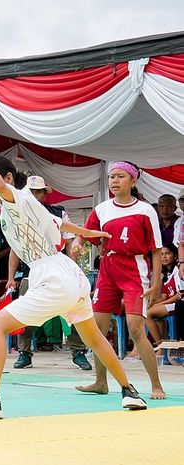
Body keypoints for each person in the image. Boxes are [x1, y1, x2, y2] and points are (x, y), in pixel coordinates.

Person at [0, 124, 147, 419]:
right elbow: (63, 225)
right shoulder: (27, 204)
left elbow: (3, 187)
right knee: (94, 338)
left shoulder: (16, 198)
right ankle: (129, 392)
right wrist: (94, 233)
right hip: (70, 275)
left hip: (52, 275)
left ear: (6, 178)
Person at [72, 160, 166, 400]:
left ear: (133, 181)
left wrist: (156, 283)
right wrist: (78, 242)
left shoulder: (145, 210)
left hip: (135, 270)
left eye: (121, 176)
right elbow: (86, 232)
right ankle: (100, 382)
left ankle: (156, 385)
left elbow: (156, 249)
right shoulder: (102, 209)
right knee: (97, 328)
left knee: (136, 329)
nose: (115, 181)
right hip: (108, 270)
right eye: (112, 176)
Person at [12, 175, 92, 371]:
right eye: (31, 191)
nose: (35, 195)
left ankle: (78, 352)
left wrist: (73, 268)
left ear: (44, 194)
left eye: (39, 191)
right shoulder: (18, 213)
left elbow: (69, 242)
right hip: (32, 270)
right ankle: (24, 353)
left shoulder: (58, 213)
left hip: (59, 267)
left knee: (74, 310)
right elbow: (15, 248)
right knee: (24, 310)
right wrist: (10, 277)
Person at [145, 243, 180, 346]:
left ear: (175, 256)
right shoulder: (166, 274)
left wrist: (161, 304)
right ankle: (162, 343)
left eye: (167, 253)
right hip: (170, 303)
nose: (164, 257)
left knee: (148, 314)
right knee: (147, 310)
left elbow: (179, 295)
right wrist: (153, 303)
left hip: (178, 304)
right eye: (161, 254)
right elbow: (164, 296)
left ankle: (160, 345)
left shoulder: (177, 270)